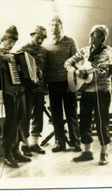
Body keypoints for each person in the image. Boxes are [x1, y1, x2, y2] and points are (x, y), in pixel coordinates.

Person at [0, 25, 31, 168]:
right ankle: (7, 154)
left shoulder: (14, 53)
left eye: (14, 42)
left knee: (19, 120)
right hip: (5, 91)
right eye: (10, 41)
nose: (12, 44)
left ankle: (16, 150)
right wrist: (1, 57)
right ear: (4, 38)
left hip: (17, 90)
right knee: (10, 122)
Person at [64, 25, 112, 165]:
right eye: (91, 33)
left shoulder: (109, 53)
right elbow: (67, 63)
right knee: (84, 122)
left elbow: (108, 70)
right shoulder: (84, 50)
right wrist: (76, 72)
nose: (90, 35)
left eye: (95, 34)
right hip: (86, 92)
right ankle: (87, 151)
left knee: (101, 123)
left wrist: (104, 71)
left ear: (102, 37)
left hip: (101, 92)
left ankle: (104, 153)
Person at [44, 13, 81, 153]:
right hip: (52, 84)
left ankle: (76, 142)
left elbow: (77, 60)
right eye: (51, 25)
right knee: (56, 114)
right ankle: (60, 143)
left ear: (61, 26)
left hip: (68, 83)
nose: (54, 27)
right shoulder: (46, 44)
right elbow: (45, 65)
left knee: (71, 113)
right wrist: (45, 83)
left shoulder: (70, 41)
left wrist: (75, 79)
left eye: (56, 24)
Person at [18, 26, 47, 156]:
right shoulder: (23, 49)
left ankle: (35, 143)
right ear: (32, 35)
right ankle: (24, 144)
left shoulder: (44, 51)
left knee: (38, 115)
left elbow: (45, 68)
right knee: (25, 116)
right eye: (38, 37)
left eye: (42, 38)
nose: (40, 40)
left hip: (40, 87)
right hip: (28, 88)